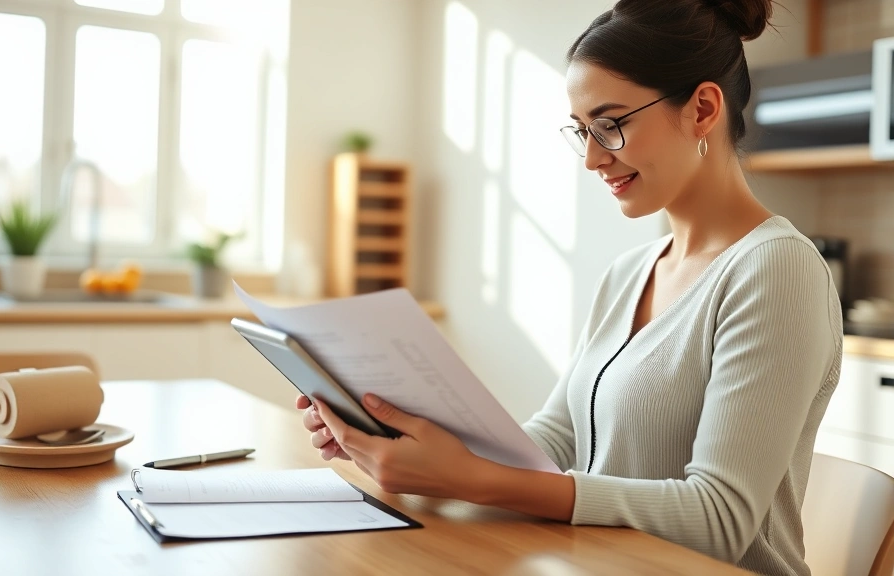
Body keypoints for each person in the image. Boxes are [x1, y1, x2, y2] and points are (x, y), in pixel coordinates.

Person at [296, 0, 843, 573]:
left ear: (703, 109)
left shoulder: (776, 271)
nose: (591, 159)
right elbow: (554, 443)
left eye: (610, 125)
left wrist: (477, 480)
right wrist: (405, 445)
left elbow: (719, 522)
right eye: (582, 131)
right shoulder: (631, 271)